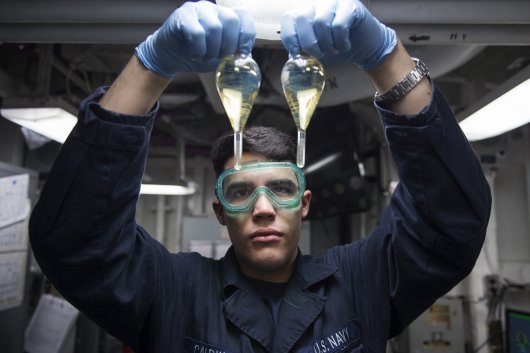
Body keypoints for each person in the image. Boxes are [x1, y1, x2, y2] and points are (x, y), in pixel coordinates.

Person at [29, 1, 492, 352]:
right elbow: (76, 243)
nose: (264, 208)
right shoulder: (171, 290)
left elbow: (448, 224)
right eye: (240, 192)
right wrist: (151, 66)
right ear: (220, 211)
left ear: (304, 203)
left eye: (283, 189)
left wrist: (387, 59)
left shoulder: (361, 282)